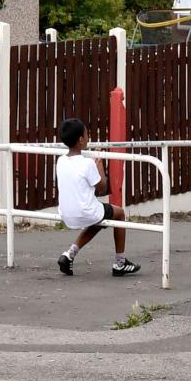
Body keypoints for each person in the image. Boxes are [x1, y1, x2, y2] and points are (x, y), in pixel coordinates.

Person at [54, 117, 139, 277]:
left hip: (66, 214)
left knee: (100, 217)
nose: (88, 137)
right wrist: (100, 167)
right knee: (118, 213)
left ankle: (69, 254)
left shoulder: (61, 161)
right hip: (85, 212)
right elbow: (102, 188)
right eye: (86, 134)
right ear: (81, 140)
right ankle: (120, 262)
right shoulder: (87, 164)